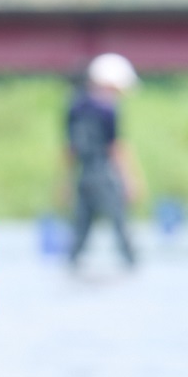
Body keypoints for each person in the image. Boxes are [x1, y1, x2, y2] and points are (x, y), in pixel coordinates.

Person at [67, 51, 140, 268]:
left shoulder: (75, 105)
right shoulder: (109, 109)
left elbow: (70, 148)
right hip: (104, 174)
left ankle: (72, 263)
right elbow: (115, 148)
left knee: (80, 228)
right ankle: (131, 262)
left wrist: (66, 181)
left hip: (84, 175)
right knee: (120, 224)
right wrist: (129, 180)